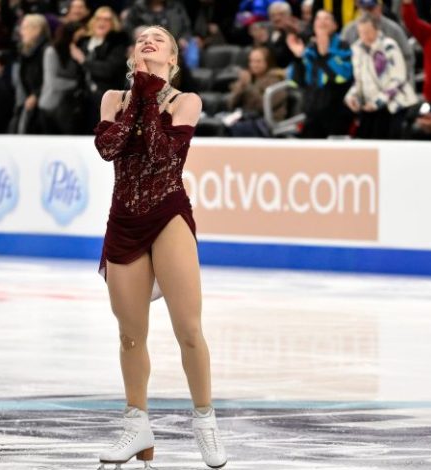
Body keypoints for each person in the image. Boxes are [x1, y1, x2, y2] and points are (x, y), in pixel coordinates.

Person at [92, 25, 227, 470]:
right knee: (130, 334)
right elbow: (108, 148)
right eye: (141, 39)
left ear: (173, 58)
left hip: (168, 215)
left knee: (188, 329)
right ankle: (137, 425)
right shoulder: (114, 99)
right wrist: (139, 92)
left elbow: (160, 153)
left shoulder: (187, 102)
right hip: (124, 221)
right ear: (132, 56)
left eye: (159, 39)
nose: (148, 40)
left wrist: (150, 94)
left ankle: (205, 421)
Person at [345, 14, 418, 138]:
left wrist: (378, 102)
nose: (365, 36)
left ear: (377, 30)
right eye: (361, 32)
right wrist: (352, 96)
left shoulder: (388, 46)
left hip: (394, 106)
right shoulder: (356, 49)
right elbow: (359, 80)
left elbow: (398, 79)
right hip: (370, 106)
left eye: (368, 32)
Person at [287, 9, 354, 137]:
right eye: (318, 18)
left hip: (337, 112)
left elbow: (343, 77)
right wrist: (298, 57)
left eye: (326, 18)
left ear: (335, 25)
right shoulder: (309, 48)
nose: (322, 22)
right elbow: (297, 83)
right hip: (312, 111)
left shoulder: (343, 46)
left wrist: (325, 56)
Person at [74, 6, 129, 133]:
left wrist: (84, 61)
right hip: (82, 98)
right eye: (98, 18)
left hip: (105, 98)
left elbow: (108, 70)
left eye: (107, 20)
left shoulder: (118, 44)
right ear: (93, 21)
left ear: (113, 24)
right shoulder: (83, 43)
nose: (102, 22)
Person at [341, 0, 414, 81]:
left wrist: (397, 79)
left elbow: (408, 57)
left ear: (379, 7)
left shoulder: (394, 29)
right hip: (361, 81)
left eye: (371, 9)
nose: (367, 13)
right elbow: (343, 59)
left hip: (391, 81)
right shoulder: (349, 31)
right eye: (364, 9)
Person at [226, 45, 287, 136]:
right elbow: (230, 104)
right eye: (251, 61)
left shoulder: (276, 81)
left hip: (267, 123)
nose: (254, 65)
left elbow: (262, 107)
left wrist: (248, 86)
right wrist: (241, 87)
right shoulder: (248, 78)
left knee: (235, 128)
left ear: (268, 62)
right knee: (223, 124)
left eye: (258, 61)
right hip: (248, 118)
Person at [39, 21, 87, 134]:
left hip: (71, 106)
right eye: (78, 36)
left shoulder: (79, 52)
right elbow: (53, 82)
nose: (81, 40)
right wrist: (77, 83)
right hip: (51, 105)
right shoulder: (52, 52)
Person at [13, 13, 50, 134]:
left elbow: (49, 78)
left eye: (24, 28)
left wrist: (36, 95)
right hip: (28, 100)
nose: (21, 32)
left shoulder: (46, 50)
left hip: (43, 105)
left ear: (37, 30)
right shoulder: (26, 51)